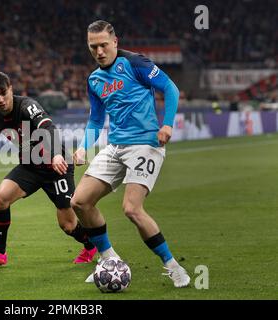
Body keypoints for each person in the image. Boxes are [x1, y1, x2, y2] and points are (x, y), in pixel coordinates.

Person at [71, 20, 190, 288]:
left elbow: (170, 88)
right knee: (79, 202)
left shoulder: (135, 63)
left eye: (103, 45)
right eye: (93, 47)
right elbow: (95, 120)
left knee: (131, 209)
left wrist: (167, 123)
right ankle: (109, 259)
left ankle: (173, 266)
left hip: (145, 144)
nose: (99, 51)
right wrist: (82, 148)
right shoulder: (94, 80)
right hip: (115, 146)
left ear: (115, 42)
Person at [0, 71, 96, 268]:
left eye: (4, 93)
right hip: (30, 166)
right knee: (0, 199)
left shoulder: (27, 107)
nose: (1, 100)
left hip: (58, 167)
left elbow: (48, 128)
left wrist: (56, 154)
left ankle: (91, 245)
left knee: (68, 225)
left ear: (11, 89)